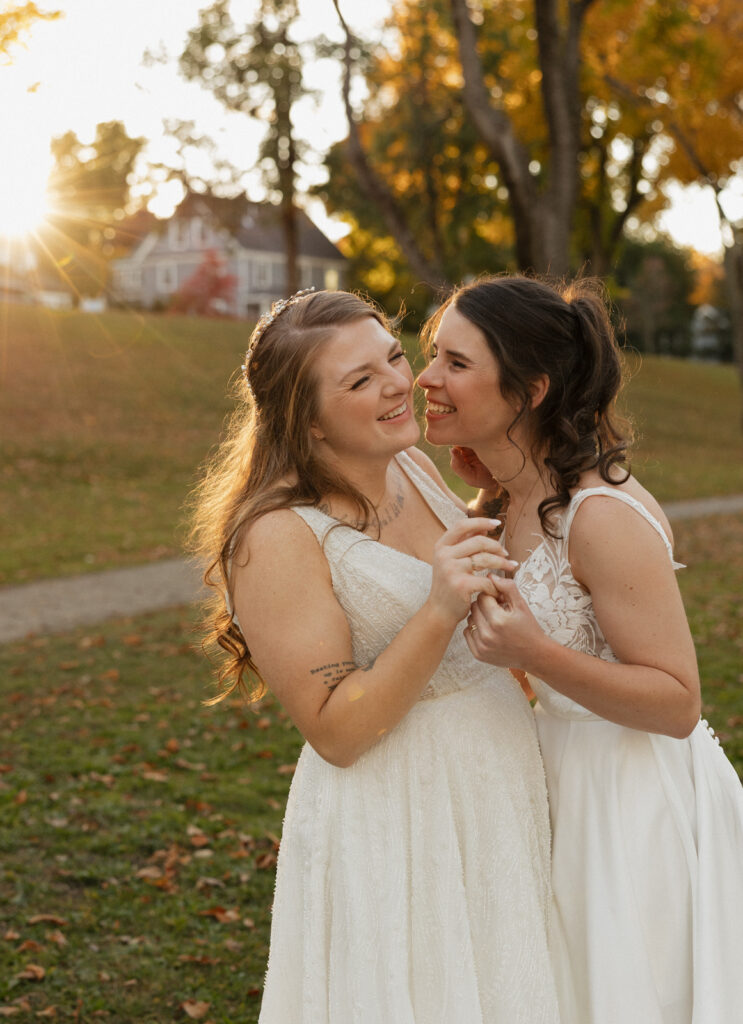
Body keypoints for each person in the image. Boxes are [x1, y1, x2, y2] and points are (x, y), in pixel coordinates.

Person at [190, 288, 561, 1023]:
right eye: (358, 381)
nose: (398, 383)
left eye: (392, 357)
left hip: (492, 785)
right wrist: (438, 608)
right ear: (309, 421)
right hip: (399, 814)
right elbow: (335, 732)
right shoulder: (274, 537)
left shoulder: (411, 467)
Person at [418, 273, 743, 1024]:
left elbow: (676, 701)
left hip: (631, 802)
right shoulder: (506, 498)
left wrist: (534, 651)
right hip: (554, 784)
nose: (426, 378)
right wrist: (487, 481)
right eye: (433, 355)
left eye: (456, 363)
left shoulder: (600, 514)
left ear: (528, 390)